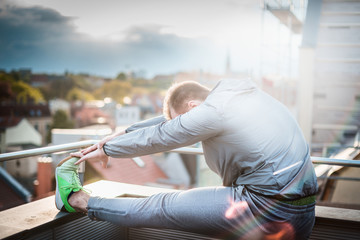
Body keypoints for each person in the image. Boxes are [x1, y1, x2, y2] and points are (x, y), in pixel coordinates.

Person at [55, 78, 318, 239]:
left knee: (162, 207)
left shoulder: (214, 112)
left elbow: (166, 134)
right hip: (301, 210)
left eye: (184, 118)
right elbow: (170, 123)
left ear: (193, 107)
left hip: (265, 207)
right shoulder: (236, 98)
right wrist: (123, 132)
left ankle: (77, 201)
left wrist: (108, 150)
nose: (185, 125)